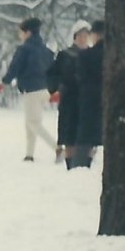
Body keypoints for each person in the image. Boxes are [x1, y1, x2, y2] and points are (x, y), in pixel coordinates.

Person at [0, 17, 54, 161]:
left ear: (27, 32)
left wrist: (4, 82)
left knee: (33, 123)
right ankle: (29, 154)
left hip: (31, 89)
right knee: (30, 122)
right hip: (45, 89)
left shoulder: (24, 49)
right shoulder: (46, 50)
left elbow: (15, 67)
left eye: (21, 32)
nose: (20, 35)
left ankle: (57, 148)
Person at [48, 21, 91, 164]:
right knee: (69, 135)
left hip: (87, 101)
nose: (83, 39)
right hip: (69, 101)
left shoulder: (93, 55)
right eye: (80, 35)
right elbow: (53, 74)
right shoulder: (64, 55)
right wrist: (56, 89)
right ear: (75, 37)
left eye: (85, 36)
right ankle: (69, 161)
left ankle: (86, 160)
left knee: (87, 136)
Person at [67, 21, 105, 170]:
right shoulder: (116, 54)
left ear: (94, 35)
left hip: (89, 100)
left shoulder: (85, 55)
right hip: (110, 100)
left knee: (85, 136)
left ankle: (81, 164)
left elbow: (80, 77)